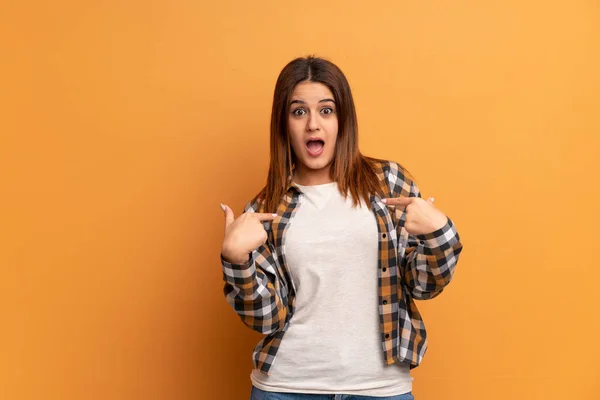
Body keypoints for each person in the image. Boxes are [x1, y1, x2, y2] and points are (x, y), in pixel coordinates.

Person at [219, 56, 463, 400]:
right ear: (284, 124)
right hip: (287, 389)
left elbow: (422, 286)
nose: (313, 125)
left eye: (326, 110)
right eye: (299, 111)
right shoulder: (266, 209)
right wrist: (236, 261)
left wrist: (441, 235)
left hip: (380, 390)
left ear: (343, 119)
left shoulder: (389, 183)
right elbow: (267, 319)